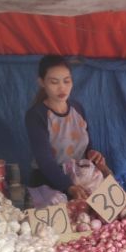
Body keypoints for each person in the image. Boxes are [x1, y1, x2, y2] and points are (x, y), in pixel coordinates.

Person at [25, 55, 110, 200]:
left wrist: (93, 154)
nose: (62, 87)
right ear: (42, 83)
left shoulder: (77, 108)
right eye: (54, 82)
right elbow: (45, 161)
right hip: (49, 182)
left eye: (66, 81)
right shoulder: (36, 115)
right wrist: (69, 187)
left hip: (80, 178)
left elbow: (87, 147)